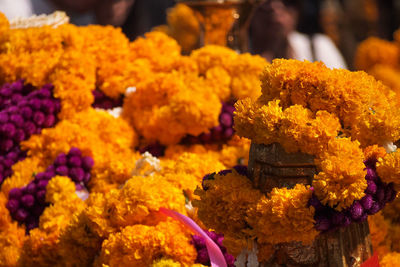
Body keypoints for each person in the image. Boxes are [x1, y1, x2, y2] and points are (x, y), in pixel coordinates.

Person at [249, 0, 347, 69]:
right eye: (265, 2)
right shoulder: (237, 54)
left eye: (288, 2)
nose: (276, 9)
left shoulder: (319, 46)